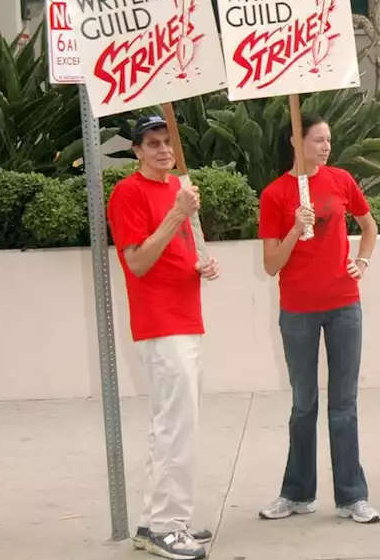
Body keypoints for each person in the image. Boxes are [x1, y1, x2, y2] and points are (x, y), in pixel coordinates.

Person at [257, 114, 380, 525]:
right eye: (318, 139)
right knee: (303, 404)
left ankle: (352, 497)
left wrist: (361, 260)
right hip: (297, 311)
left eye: (329, 139)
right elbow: (271, 264)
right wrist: (295, 229)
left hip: (344, 305)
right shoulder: (275, 194)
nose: (326, 146)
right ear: (297, 141)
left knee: (343, 404)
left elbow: (368, 226)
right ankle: (296, 494)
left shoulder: (341, 180)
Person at [109, 116, 220, 560]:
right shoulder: (129, 194)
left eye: (167, 142)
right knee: (179, 428)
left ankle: (153, 521)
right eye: (152, 144)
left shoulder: (178, 190)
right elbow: (137, 262)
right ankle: (168, 528)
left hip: (185, 318)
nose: (162, 150)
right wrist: (177, 213)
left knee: (167, 427)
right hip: (160, 323)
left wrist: (202, 265)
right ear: (136, 151)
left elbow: (180, 253)